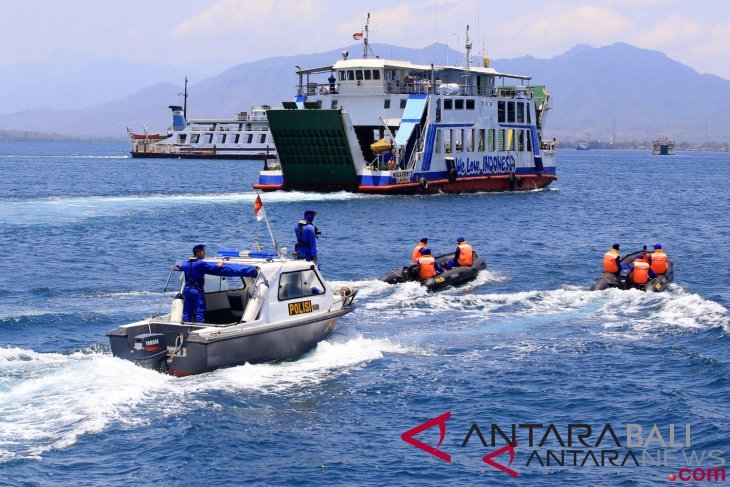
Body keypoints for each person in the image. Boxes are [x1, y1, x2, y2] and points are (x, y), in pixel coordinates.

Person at [179, 244, 258, 323]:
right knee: (200, 309)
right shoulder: (200, 264)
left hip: (187, 289)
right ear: (198, 252)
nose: (204, 253)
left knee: (187, 310)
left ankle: (184, 324)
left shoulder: (186, 263)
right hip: (196, 290)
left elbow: (180, 266)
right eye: (203, 251)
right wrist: (219, 265)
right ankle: (199, 326)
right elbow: (212, 268)